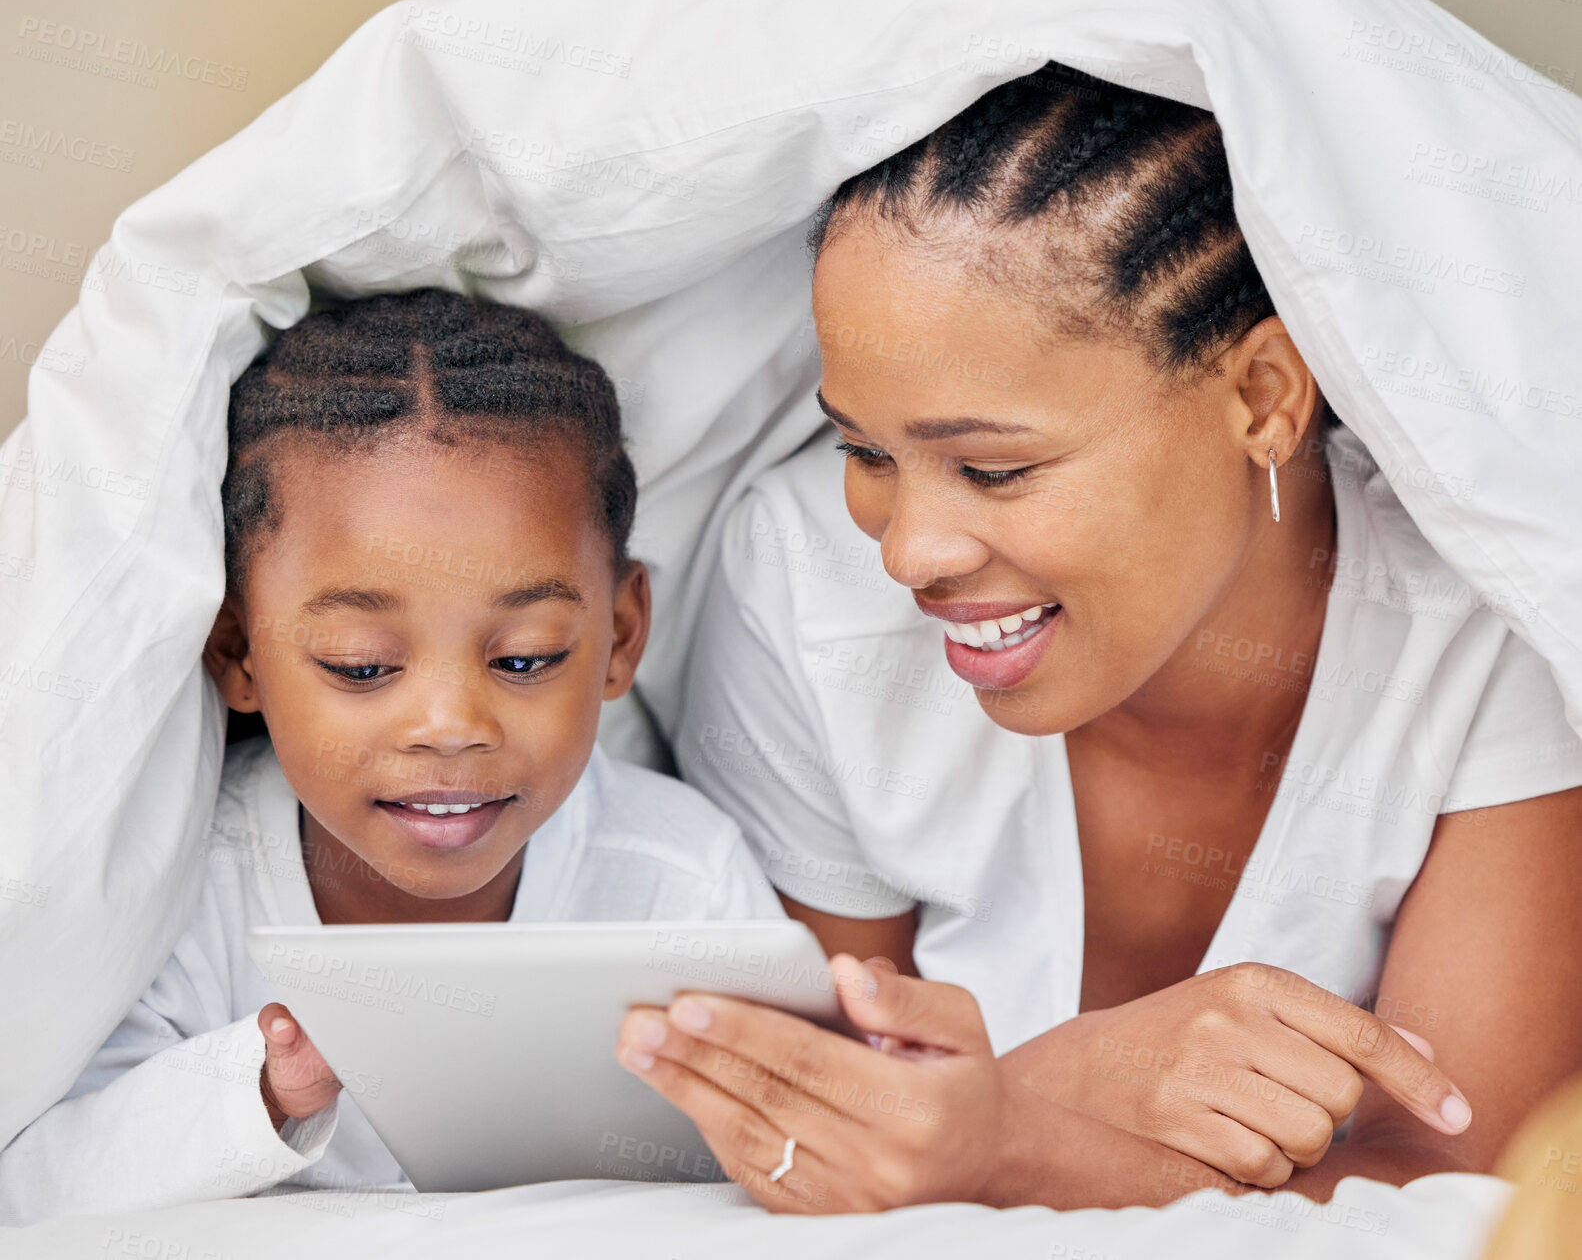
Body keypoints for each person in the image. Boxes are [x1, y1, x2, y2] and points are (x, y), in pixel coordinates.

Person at [616, 63, 1582, 1212]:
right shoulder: (800, 586)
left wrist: (1017, 1137)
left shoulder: (1493, 612)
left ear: (1265, 397)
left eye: (995, 468)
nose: (907, 552)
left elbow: (1467, 1189)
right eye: (865, 454)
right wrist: (1049, 1091)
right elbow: (832, 1116)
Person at [0, 289, 780, 1225]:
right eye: (361, 665)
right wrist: (266, 1088)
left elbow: (772, 1161)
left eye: (525, 656)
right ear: (238, 652)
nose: (449, 725)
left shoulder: (677, 883)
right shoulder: (174, 891)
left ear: (619, 635)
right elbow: (35, 1186)